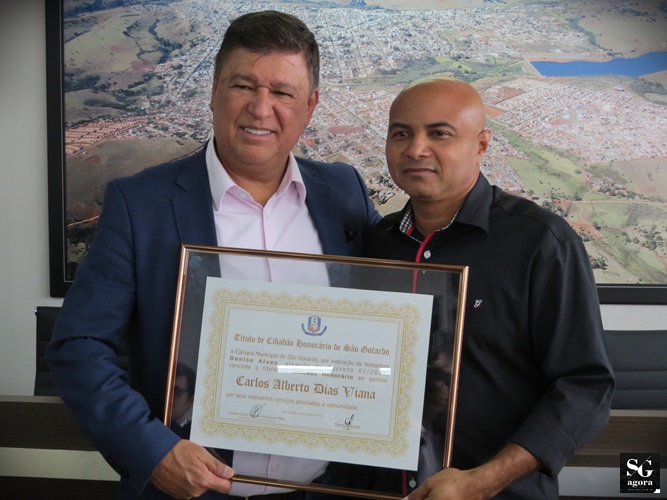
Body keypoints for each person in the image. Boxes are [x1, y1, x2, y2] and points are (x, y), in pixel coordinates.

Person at [46, 10, 379, 500]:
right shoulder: (141, 205)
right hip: (192, 492)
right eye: (243, 86)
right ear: (214, 91)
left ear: (310, 105)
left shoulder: (343, 192)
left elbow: (386, 317)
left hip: (326, 490)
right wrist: (152, 451)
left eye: (282, 92)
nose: (260, 109)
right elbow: (78, 346)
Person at [363, 77, 615, 499]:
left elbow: (586, 386)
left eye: (440, 134)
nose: (416, 149)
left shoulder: (540, 243)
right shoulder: (375, 244)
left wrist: (482, 482)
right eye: (401, 134)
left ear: (481, 144)